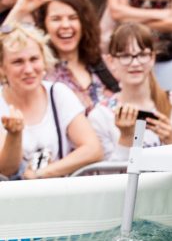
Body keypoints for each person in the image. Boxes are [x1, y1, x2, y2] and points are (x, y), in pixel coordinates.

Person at [0, 24, 102, 179]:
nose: (28, 69)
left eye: (34, 59)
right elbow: (6, 169)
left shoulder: (58, 93)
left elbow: (93, 149)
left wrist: (43, 173)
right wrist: (14, 135)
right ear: (2, 68)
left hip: (59, 194)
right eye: (18, 62)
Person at [4, 0, 119, 112]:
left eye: (72, 17)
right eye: (56, 19)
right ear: (43, 25)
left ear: (84, 23)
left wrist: (134, 132)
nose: (65, 25)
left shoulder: (109, 66)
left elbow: (141, 116)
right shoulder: (35, 73)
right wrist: (20, 10)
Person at [88, 23, 172, 161]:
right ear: (111, 61)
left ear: (153, 57)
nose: (135, 63)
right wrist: (125, 139)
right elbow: (106, 177)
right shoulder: (100, 116)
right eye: (125, 56)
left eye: (142, 54)